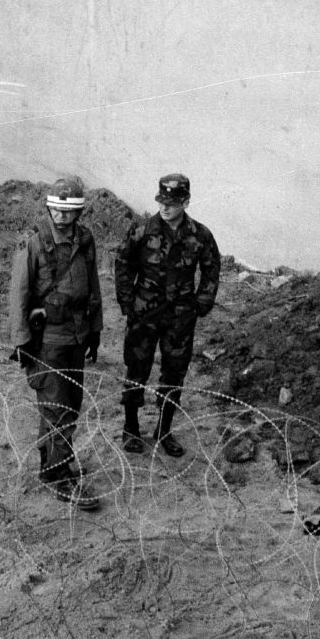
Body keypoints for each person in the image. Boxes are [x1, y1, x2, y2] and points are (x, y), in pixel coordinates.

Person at [8, 176, 103, 509]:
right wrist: (21, 340)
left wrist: (95, 329)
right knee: (57, 407)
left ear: (78, 212)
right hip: (47, 340)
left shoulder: (86, 239)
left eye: (67, 212)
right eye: (55, 210)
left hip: (76, 336)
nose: (60, 217)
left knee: (69, 404)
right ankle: (58, 473)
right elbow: (18, 293)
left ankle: (53, 463)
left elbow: (92, 287)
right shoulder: (34, 242)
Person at [114, 173, 221, 457]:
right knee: (137, 368)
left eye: (172, 203)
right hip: (144, 313)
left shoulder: (200, 235)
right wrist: (127, 303)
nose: (165, 207)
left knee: (174, 372)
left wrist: (202, 302)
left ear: (185, 202)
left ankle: (164, 430)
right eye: (162, 201)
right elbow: (123, 263)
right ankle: (131, 428)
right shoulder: (142, 231)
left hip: (180, 317)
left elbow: (212, 268)